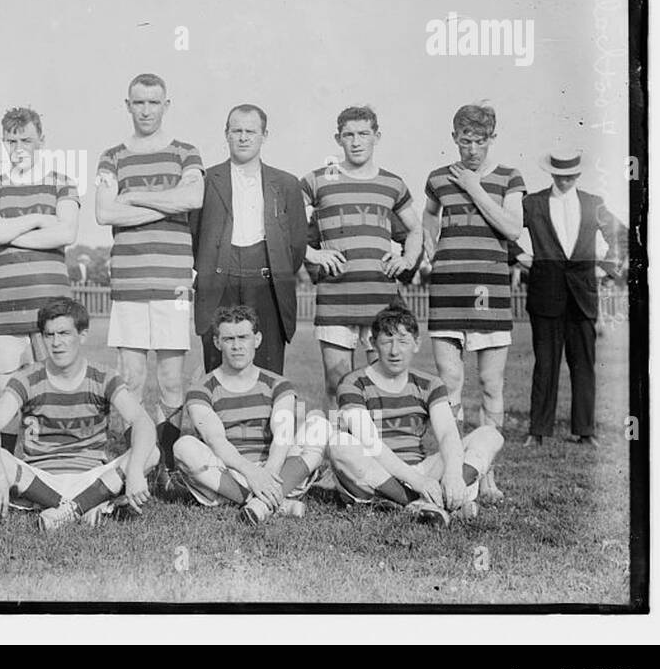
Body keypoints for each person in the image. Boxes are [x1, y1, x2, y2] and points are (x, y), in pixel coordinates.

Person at [94, 73, 204, 487]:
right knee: (133, 379)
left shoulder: (185, 153)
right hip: (129, 280)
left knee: (172, 379)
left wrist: (135, 197)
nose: (145, 110)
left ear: (166, 105)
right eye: (138, 103)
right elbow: (105, 213)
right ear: (127, 105)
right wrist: (166, 204)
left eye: (153, 103)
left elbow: (192, 199)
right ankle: (134, 464)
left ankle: (170, 469)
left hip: (174, 280)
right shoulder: (112, 156)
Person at [0, 297, 156, 530]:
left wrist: (134, 472)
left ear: (82, 335)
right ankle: (83, 507)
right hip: (41, 478)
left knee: (151, 454)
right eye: (49, 335)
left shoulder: (103, 377)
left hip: (91, 477)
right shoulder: (28, 378)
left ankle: (66, 510)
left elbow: (142, 421)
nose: (56, 343)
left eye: (64, 333)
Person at [422, 103, 524, 502]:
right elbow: (429, 217)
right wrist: (430, 244)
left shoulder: (508, 177)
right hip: (448, 290)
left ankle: (486, 475)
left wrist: (474, 186)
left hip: (490, 291)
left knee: (490, 387)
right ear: (454, 139)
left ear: (492, 140)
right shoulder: (437, 178)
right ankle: (454, 469)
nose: (473, 149)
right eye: (466, 141)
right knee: (450, 386)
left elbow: (513, 228)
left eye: (481, 141)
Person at [327, 304, 503, 526]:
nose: (394, 351)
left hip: (420, 469)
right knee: (340, 444)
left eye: (403, 341)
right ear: (372, 344)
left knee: (489, 435)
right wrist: (417, 482)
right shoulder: (354, 383)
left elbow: (448, 433)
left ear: (417, 344)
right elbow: (370, 443)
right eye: (386, 341)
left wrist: (452, 473)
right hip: (377, 471)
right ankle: (429, 502)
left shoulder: (429, 383)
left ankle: (436, 498)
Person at [300, 105, 422, 401]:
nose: (356, 141)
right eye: (348, 135)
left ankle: (381, 447)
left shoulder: (392, 183)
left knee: (381, 383)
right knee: (337, 384)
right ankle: (343, 446)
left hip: (380, 298)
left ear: (376, 136)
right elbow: (284, 225)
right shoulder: (318, 179)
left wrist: (406, 259)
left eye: (363, 134)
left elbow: (417, 230)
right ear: (338, 138)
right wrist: (313, 255)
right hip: (335, 297)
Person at [0, 110, 80, 446]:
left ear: (41, 140)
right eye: (12, 140)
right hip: (5, 309)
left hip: (50, 305)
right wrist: (37, 218)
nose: (19, 147)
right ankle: (2, 466)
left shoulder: (61, 181)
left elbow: (66, 232)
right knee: (5, 390)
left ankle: (56, 461)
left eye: (26, 140)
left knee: (54, 384)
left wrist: (7, 233)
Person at [172, 305, 328, 524]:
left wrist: (268, 473)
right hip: (231, 472)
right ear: (217, 343)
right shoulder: (202, 388)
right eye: (228, 339)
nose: (237, 346)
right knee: (183, 447)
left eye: (243, 337)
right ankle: (275, 502)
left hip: (278, 470)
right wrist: (253, 476)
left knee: (319, 422)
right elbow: (215, 440)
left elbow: (282, 434)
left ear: (257, 339)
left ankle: (261, 502)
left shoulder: (278, 383)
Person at [519, 148, 628, 446]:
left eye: (570, 176)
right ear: (551, 173)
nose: (565, 181)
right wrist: (520, 257)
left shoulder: (594, 204)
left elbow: (621, 236)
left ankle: (585, 431)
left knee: (583, 364)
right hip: (545, 292)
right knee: (546, 363)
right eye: (559, 175)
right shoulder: (532, 202)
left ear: (578, 175)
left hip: (583, 294)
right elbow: (504, 231)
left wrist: (607, 269)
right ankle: (537, 431)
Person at [190, 104, 308, 377]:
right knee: (218, 364)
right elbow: (195, 235)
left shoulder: (286, 183)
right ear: (226, 134)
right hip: (220, 283)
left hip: (266, 284)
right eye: (237, 131)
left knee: (267, 370)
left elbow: (297, 245)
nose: (243, 137)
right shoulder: (207, 180)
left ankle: (267, 421)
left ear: (264, 135)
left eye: (251, 131)